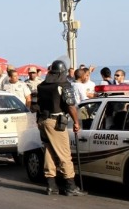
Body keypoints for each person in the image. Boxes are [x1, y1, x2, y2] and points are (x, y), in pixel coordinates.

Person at [36, 59, 85, 196]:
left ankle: (51, 185)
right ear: (62, 72)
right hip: (56, 122)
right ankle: (70, 186)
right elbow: (70, 105)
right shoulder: (63, 85)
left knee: (49, 153)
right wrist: (76, 122)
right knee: (64, 154)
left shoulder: (41, 86)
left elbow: (35, 105)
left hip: (42, 120)